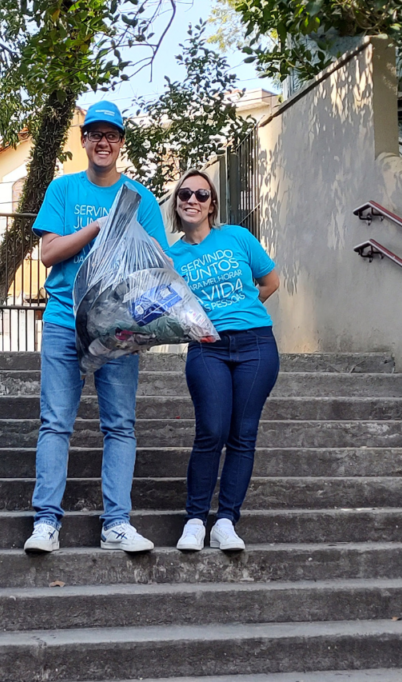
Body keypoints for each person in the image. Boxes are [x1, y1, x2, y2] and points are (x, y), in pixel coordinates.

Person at [23, 101, 170, 555]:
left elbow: (158, 266)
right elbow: (48, 254)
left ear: (121, 143)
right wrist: (98, 228)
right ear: (83, 141)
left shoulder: (139, 198)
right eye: (95, 134)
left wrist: (146, 326)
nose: (103, 142)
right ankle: (46, 522)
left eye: (112, 135)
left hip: (118, 327)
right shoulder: (63, 190)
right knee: (55, 423)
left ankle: (116, 524)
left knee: (121, 425)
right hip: (65, 319)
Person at [166, 168, 280, 552]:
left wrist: (242, 314)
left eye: (201, 194)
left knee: (242, 435)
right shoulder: (171, 255)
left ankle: (226, 521)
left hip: (256, 345)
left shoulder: (237, 237)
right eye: (185, 195)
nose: (192, 200)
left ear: (212, 203)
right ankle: (196, 520)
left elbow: (270, 282)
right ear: (177, 204)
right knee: (211, 431)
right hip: (206, 348)